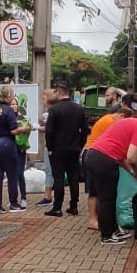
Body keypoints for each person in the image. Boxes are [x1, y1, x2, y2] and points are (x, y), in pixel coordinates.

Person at [85, 117, 137, 245]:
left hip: (94, 155)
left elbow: (121, 157)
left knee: (109, 198)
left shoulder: (130, 123)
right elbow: (131, 157)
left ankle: (113, 230)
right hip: (104, 160)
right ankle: (107, 235)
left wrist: (131, 172)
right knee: (107, 199)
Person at [44, 83, 86, 217]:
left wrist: (50, 147)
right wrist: (80, 145)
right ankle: (74, 206)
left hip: (58, 149)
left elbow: (49, 131)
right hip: (74, 148)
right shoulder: (78, 108)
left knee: (59, 178)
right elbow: (84, 130)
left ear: (59, 93)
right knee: (74, 177)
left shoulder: (54, 110)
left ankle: (57, 207)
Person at [0, 87, 27, 214]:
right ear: (9, 96)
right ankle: (13, 204)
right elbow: (13, 130)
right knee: (12, 174)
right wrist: (24, 129)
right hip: (5, 143)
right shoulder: (8, 110)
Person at [34, 89, 58, 207]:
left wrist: (37, 127)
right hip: (62, 146)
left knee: (49, 171)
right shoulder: (58, 110)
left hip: (51, 146)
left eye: (43, 98)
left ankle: (48, 196)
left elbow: (50, 129)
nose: (42, 100)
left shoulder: (50, 113)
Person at [10, 96, 33, 208]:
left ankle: (23, 198)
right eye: (12, 104)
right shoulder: (7, 117)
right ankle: (13, 199)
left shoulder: (21, 117)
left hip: (20, 149)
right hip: (9, 149)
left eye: (15, 104)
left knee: (20, 173)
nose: (14, 106)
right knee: (12, 175)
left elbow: (28, 128)